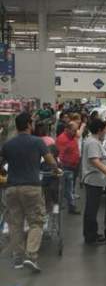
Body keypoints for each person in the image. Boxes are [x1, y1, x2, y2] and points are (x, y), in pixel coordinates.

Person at [1, 112, 60, 271]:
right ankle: (31, 256)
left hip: (11, 188)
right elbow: (50, 161)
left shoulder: (8, 144)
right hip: (31, 187)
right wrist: (56, 170)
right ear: (28, 124)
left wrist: (6, 173)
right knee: (36, 222)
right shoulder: (37, 142)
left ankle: (18, 258)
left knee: (15, 224)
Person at [81, 116, 106, 245]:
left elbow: (99, 157)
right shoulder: (92, 142)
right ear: (99, 130)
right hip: (93, 180)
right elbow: (94, 161)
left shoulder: (95, 141)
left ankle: (92, 234)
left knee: (92, 209)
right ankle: (91, 237)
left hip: (95, 180)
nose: (105, 132)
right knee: (91, 210)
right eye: (104, 129)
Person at [55, 120, 80, 214]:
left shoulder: (71, 137)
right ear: (68, 129)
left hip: (72, 166)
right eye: (74, 130)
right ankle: (68, 207)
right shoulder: (62, 139)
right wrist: (60, 167)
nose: (76, 132)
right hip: (66, 167)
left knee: (69, 188)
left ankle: (65, 206)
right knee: (66, 188)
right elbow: (59, 155)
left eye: (76, 130)